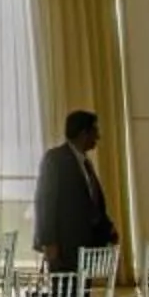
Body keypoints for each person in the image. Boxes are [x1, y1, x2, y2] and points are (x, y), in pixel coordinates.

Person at [31, 110, 117, 275]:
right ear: (83, 133)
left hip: (85, 247)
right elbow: (44, 202)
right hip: (64, 247)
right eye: (95, 131)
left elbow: (91, 202)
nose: (98, 137)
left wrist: (108, 228)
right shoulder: (55, 159)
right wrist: (49, 242)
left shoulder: (85, 163)